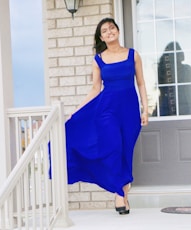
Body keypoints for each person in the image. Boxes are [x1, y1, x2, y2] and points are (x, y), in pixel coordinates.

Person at [64, 17, 148, 215]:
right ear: (101, 37)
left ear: (117, 31)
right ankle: (119, 194)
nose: (109, 31)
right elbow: (95, 89)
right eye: (105, 30)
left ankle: (123, 195)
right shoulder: (99, 59)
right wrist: (76, 110)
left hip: (129, 110)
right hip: (107, 111)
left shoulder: (133, 55)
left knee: (126, 150)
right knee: (114, 148)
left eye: (112, 28)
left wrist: (145, 109)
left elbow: (142, 83)